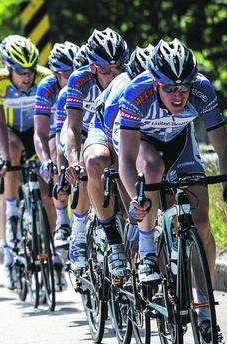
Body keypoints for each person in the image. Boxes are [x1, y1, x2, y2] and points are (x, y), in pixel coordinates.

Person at [117, 39, 227, 344]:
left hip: (181, 144)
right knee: (150, 169)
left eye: (184, 88)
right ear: (156, 84)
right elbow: (125, 158)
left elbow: (222, 146)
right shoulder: (137, 93)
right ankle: (148, 251)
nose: (179, 95)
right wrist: (137, 197)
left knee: (201, 226)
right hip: (145, 144)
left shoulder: (203, 90)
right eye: (171, 89)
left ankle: (205, 313)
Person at [81, 43, 154, 277]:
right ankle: (112, 238)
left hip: (142, 131)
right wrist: (133, 214)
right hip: (106, 128)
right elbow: (123, 161)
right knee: (98, 163)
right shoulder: (122, 92)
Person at [0, 35, 52, 288]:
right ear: (7, 67)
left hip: (36, 130)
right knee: (11, 151)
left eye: (30, 71)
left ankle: (52, 248)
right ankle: (11, 208)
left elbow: (51, 122)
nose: (27, 77)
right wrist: (1, 155)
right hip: (10, 131)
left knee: (45, 188)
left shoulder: (45, 77)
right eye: (21, 72)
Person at [64, 28, 129, 271]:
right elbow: (73, 126)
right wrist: (73, 160)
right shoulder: (78, 80)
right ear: (92, 68)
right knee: (84, 170)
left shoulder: (130, 77)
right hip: (88, 131)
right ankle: (80, 232)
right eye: (105, 70)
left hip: (121, 132)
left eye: (118, 68)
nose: (113, 75)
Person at [34, 41, 79, 251]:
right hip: (55, 132)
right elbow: (40, 133)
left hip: (79, 129)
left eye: (74, 71)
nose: (70, 77)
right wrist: (45, 162)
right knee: (55, 150)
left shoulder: (83, 82)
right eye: (65, 73)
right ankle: (62, 221)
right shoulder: (47, 87)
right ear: (55, 73)